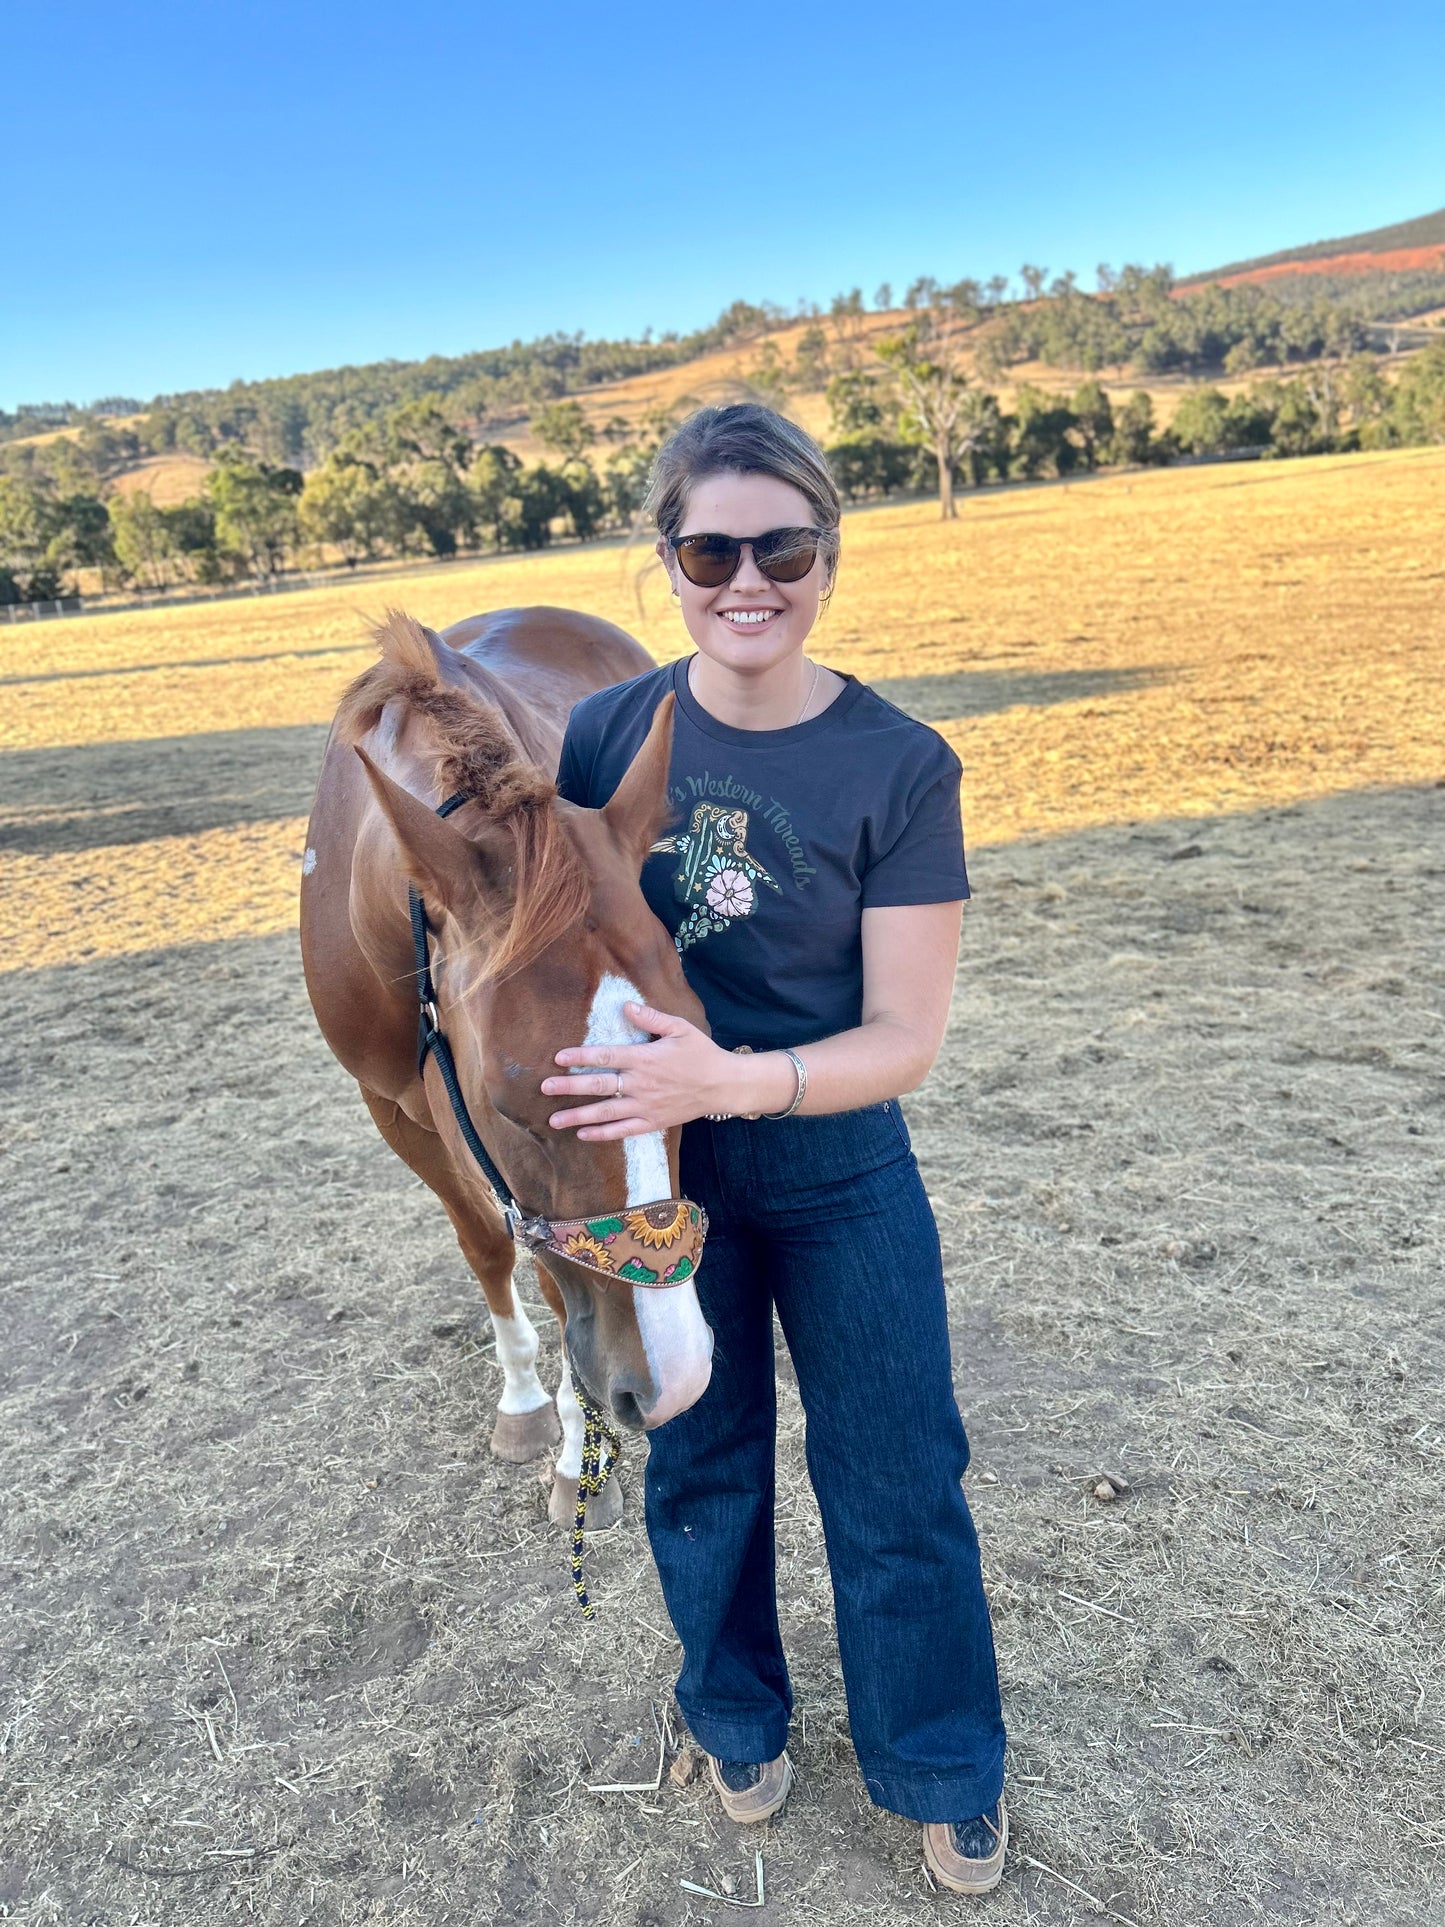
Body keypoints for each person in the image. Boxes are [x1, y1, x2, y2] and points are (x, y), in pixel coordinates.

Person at [541, 404, 1008, 1895]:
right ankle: (732, 1712)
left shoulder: (898, 763)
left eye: (783, 547)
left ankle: (938, 1761)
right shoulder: (608, 735)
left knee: (897, 1475)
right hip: (654, 1176)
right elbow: (556, 953)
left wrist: (730, 1080)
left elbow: (901, 1038)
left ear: (825, 556)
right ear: (666, 563)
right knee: (698, 1457)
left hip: (835, 1165)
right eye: (709, 549)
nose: (748, 580)